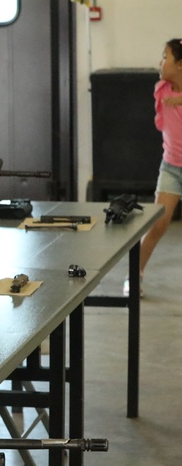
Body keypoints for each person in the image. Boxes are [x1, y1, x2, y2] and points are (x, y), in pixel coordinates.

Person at [128, 37, 182, 297]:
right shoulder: (162, 88)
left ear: (180, 64)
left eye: (165, 57)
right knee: (158, 223)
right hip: (171, 166)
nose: (160, 62)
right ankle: (134, 275)